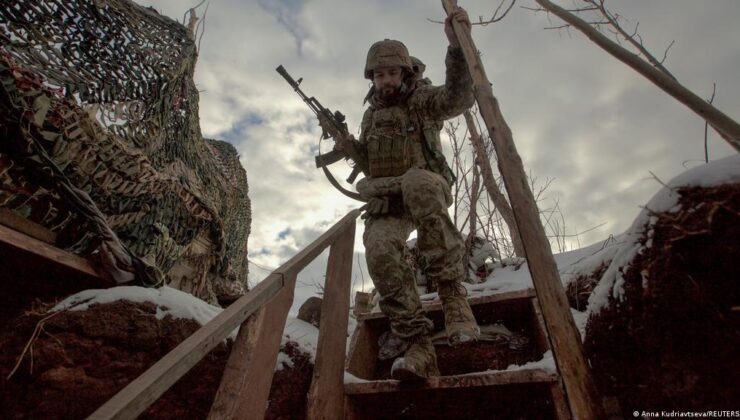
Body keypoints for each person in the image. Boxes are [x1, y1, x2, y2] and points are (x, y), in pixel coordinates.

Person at [352, 7, 480, 381]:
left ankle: (453, 297)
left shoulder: (421, 100)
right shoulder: (371, 117)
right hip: (390, 203)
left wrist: (457, 48)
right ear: (372, 78)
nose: (385, 79)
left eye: (392, 72)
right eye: (379, 74)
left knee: (418, 182)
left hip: (427, 190)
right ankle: (417, 347)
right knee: (377, 247)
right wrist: (371, 189)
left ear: (405, 73)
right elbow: (370, 172)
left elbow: (457, 98)